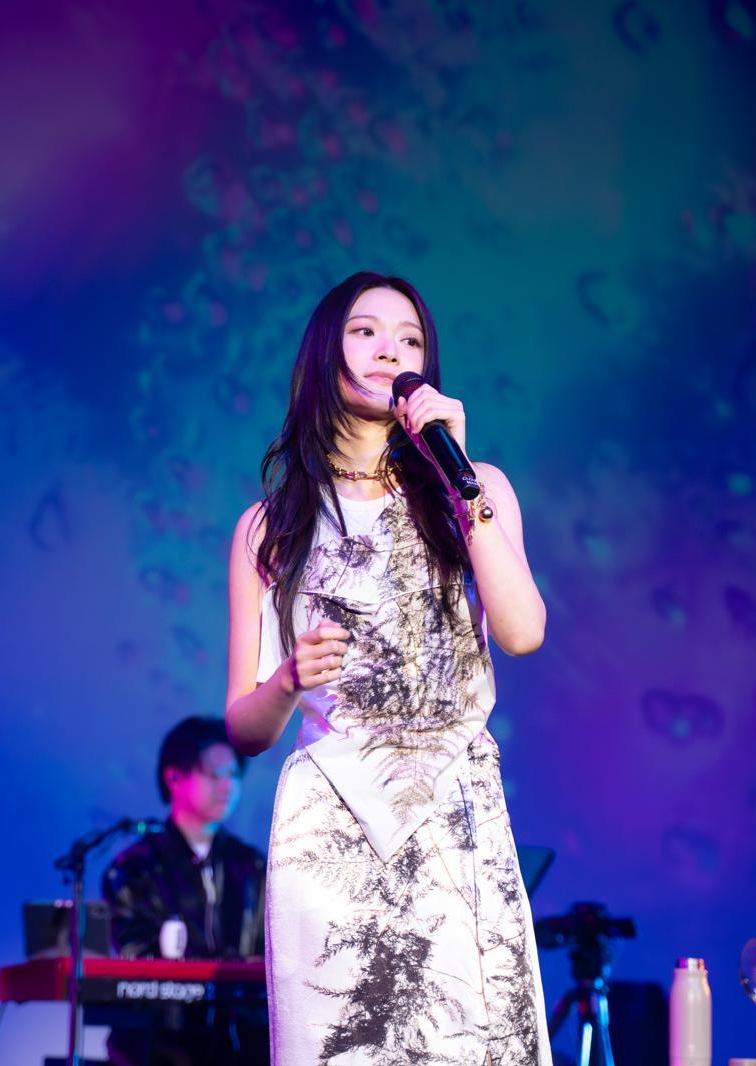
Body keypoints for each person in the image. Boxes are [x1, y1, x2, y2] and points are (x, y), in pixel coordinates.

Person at [225, 272, 554, 1066]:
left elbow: (522, 632)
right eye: (366, 332)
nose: (390, 351)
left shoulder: (475, 489)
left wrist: (463, 484)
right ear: (326, 351)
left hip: (455, 815)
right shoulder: (270, 527)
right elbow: (242, 727)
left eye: (410, 340)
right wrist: (287, 681)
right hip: (331, 826)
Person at [100, 716, 267, 1065]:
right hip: (160, 1044)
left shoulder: (250, 865)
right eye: (215, 774)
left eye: (234, 774)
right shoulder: (134, 870)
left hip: (241, 1044)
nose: (227, 785)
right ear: (174, 777)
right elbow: (137, 954)